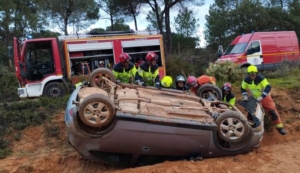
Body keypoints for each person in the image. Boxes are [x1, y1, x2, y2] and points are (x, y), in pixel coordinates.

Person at [241, 65, 286, 135]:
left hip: (264, 97)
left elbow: (268, 86)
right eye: (251, 74)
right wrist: (245, 96)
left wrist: (262, 96)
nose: (252, 75)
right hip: (254, 98)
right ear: (248, 74)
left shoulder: (261, 78)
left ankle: (280, 128)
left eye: (254, 74)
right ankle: (250, 130)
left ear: (256, 73)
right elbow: (242, 88)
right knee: (251, 113)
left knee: (272, 111)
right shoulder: (246, 80)